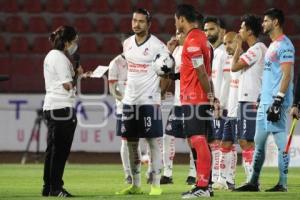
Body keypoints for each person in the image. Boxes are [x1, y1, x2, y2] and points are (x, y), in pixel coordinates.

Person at [234, 8, 295, 192]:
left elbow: (286, 75)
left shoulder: (285, 45)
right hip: (265, 101)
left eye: (266, 21)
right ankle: (253, 181)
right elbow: (270, 75)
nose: (263, 24)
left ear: (275, 22)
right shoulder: (272, 45)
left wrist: (279, 100)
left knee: (280, 143)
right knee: (258, 143)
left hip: (275, 102)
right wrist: (262, 96)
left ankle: (282, 183)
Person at [116, 8, 169, 196]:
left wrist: (160, 92)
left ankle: (155, 184)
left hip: (149, 101)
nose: (136, 24)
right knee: (131, 143)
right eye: (134, 20)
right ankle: (135, 184)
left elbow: (167, 71)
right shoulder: (127, 43)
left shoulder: (158, 46)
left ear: (149, 24)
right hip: (130, 101)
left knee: (152, 142)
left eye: (140, 21)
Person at [175, 4, 214, 198]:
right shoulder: (202, 38)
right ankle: (205, 184)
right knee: (198, 140)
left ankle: (203, 187)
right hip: (196, 97)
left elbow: (201, 72)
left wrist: (211, 95)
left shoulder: (192, 40)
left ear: (181, 19)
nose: (176, 23)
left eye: (176, 19)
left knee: (198, 140)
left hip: (195, 98)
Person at [42, 25, 80, 197]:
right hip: (61, 108)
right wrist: (77, 75)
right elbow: (67, 85)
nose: (75, 45)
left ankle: (48, 187)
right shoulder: (59, 57)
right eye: (74, 41)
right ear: (66, 42)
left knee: (52, 150)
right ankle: (56, 188)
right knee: (60, 151)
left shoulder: (53, 56)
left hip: (52, 106)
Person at [231, 14, 267, 183]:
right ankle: (251, 179)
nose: (239, 30)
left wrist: (238, 46)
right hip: (247, 99)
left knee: (247, 140)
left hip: (251, 99)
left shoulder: (255, 49)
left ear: (250, 30)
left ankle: (253, 180)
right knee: (245, 140)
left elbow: (234, 67)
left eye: (242, 27)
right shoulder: (258, 49)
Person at [160, 31, 196, 185]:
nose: (177, 36)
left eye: (180, 33)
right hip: (177, 103)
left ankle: (193, 173)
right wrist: (168, 52)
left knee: (192, 139)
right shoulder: (176, 51)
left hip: (191, 102)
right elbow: (167, 73)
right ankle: (167, 174)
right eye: (176, 33)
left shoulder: (192, 49)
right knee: (167, 136)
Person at [212, 32, 240, 190]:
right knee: (224, 142)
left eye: (230, 42)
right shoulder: (223, 57)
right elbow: (219, 83)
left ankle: (229, 177)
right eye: (225, 43)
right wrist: (217, 102)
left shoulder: (240, 60)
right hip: (223, 105)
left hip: (234, 107)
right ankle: (224, 178)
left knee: (230, 142)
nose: (227, 46)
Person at [203, 16, 229, 184]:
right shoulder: (208, 52)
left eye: (211, 29)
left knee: (221, 142)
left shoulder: (225, 53)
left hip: (221, 104)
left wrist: (221, 103)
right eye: (205, 30)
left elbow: (227, 81)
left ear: (222, 31)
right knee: (211, 141)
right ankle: (215, 177)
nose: (208, 33)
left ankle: (221, 178)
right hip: (209, 104)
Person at [108, 54, 132, 184]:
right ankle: (128, 173)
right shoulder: (115, 63)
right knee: (126, 141)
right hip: (124, 107)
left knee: (146, 140)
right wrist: (123, 100)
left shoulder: (140, 58)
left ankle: (149, 171)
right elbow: (113, 89)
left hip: (141, 105)